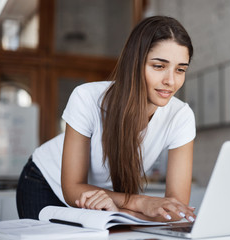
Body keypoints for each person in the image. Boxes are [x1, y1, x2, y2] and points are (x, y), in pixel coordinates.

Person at [16, 15, 196, 223]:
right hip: (45, 183)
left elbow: (176, 210)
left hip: (107, 199)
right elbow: (73, 188)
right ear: (134, 64)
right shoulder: (87, 97)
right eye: (158, 66)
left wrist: (121, 211)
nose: (171, 81)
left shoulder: (181, 116)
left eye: (180, 69)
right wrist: (141, 203)